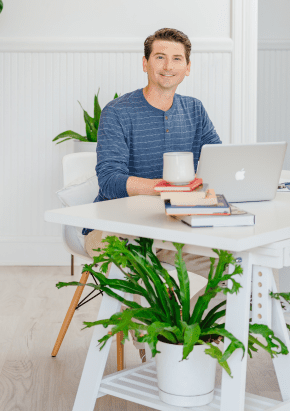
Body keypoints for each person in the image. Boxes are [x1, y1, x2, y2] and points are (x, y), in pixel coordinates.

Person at [83, 28, 222, 262]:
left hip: (172, 226)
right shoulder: (117, 112)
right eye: (160, 57)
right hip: (114, 228)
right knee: (143, 281)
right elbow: (109, 181)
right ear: (145, 63)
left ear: (187, 68)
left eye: (177, 59)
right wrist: (168, 189)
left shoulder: (194, 109)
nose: (168, 66)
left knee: (228, 268)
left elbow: (218, 163)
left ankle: (182, 301)